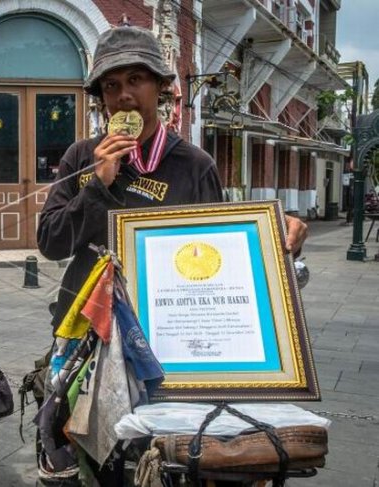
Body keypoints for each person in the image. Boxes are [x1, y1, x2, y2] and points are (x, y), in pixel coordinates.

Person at [36, 26, 308, 484]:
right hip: (88, 337)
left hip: (169, 344)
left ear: (161, 89)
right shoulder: (81, 157)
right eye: (111, 85)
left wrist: (276, 241)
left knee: (165, 462)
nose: (123, 97)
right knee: (89, 463)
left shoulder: (194, 164)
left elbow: (223, 255)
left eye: (135, 80)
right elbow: (49, 242)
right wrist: (97, 186)